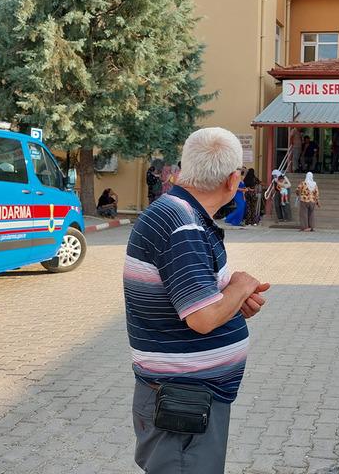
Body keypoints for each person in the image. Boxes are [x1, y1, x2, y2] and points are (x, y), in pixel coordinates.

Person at [125, 127, 270, 474]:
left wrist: (234, 306)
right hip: (183, 405)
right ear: (233, 181)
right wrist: (239, 286)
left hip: (186, 400)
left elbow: (192, 302)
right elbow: (202, 318)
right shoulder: (182, 225)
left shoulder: (179, 215)